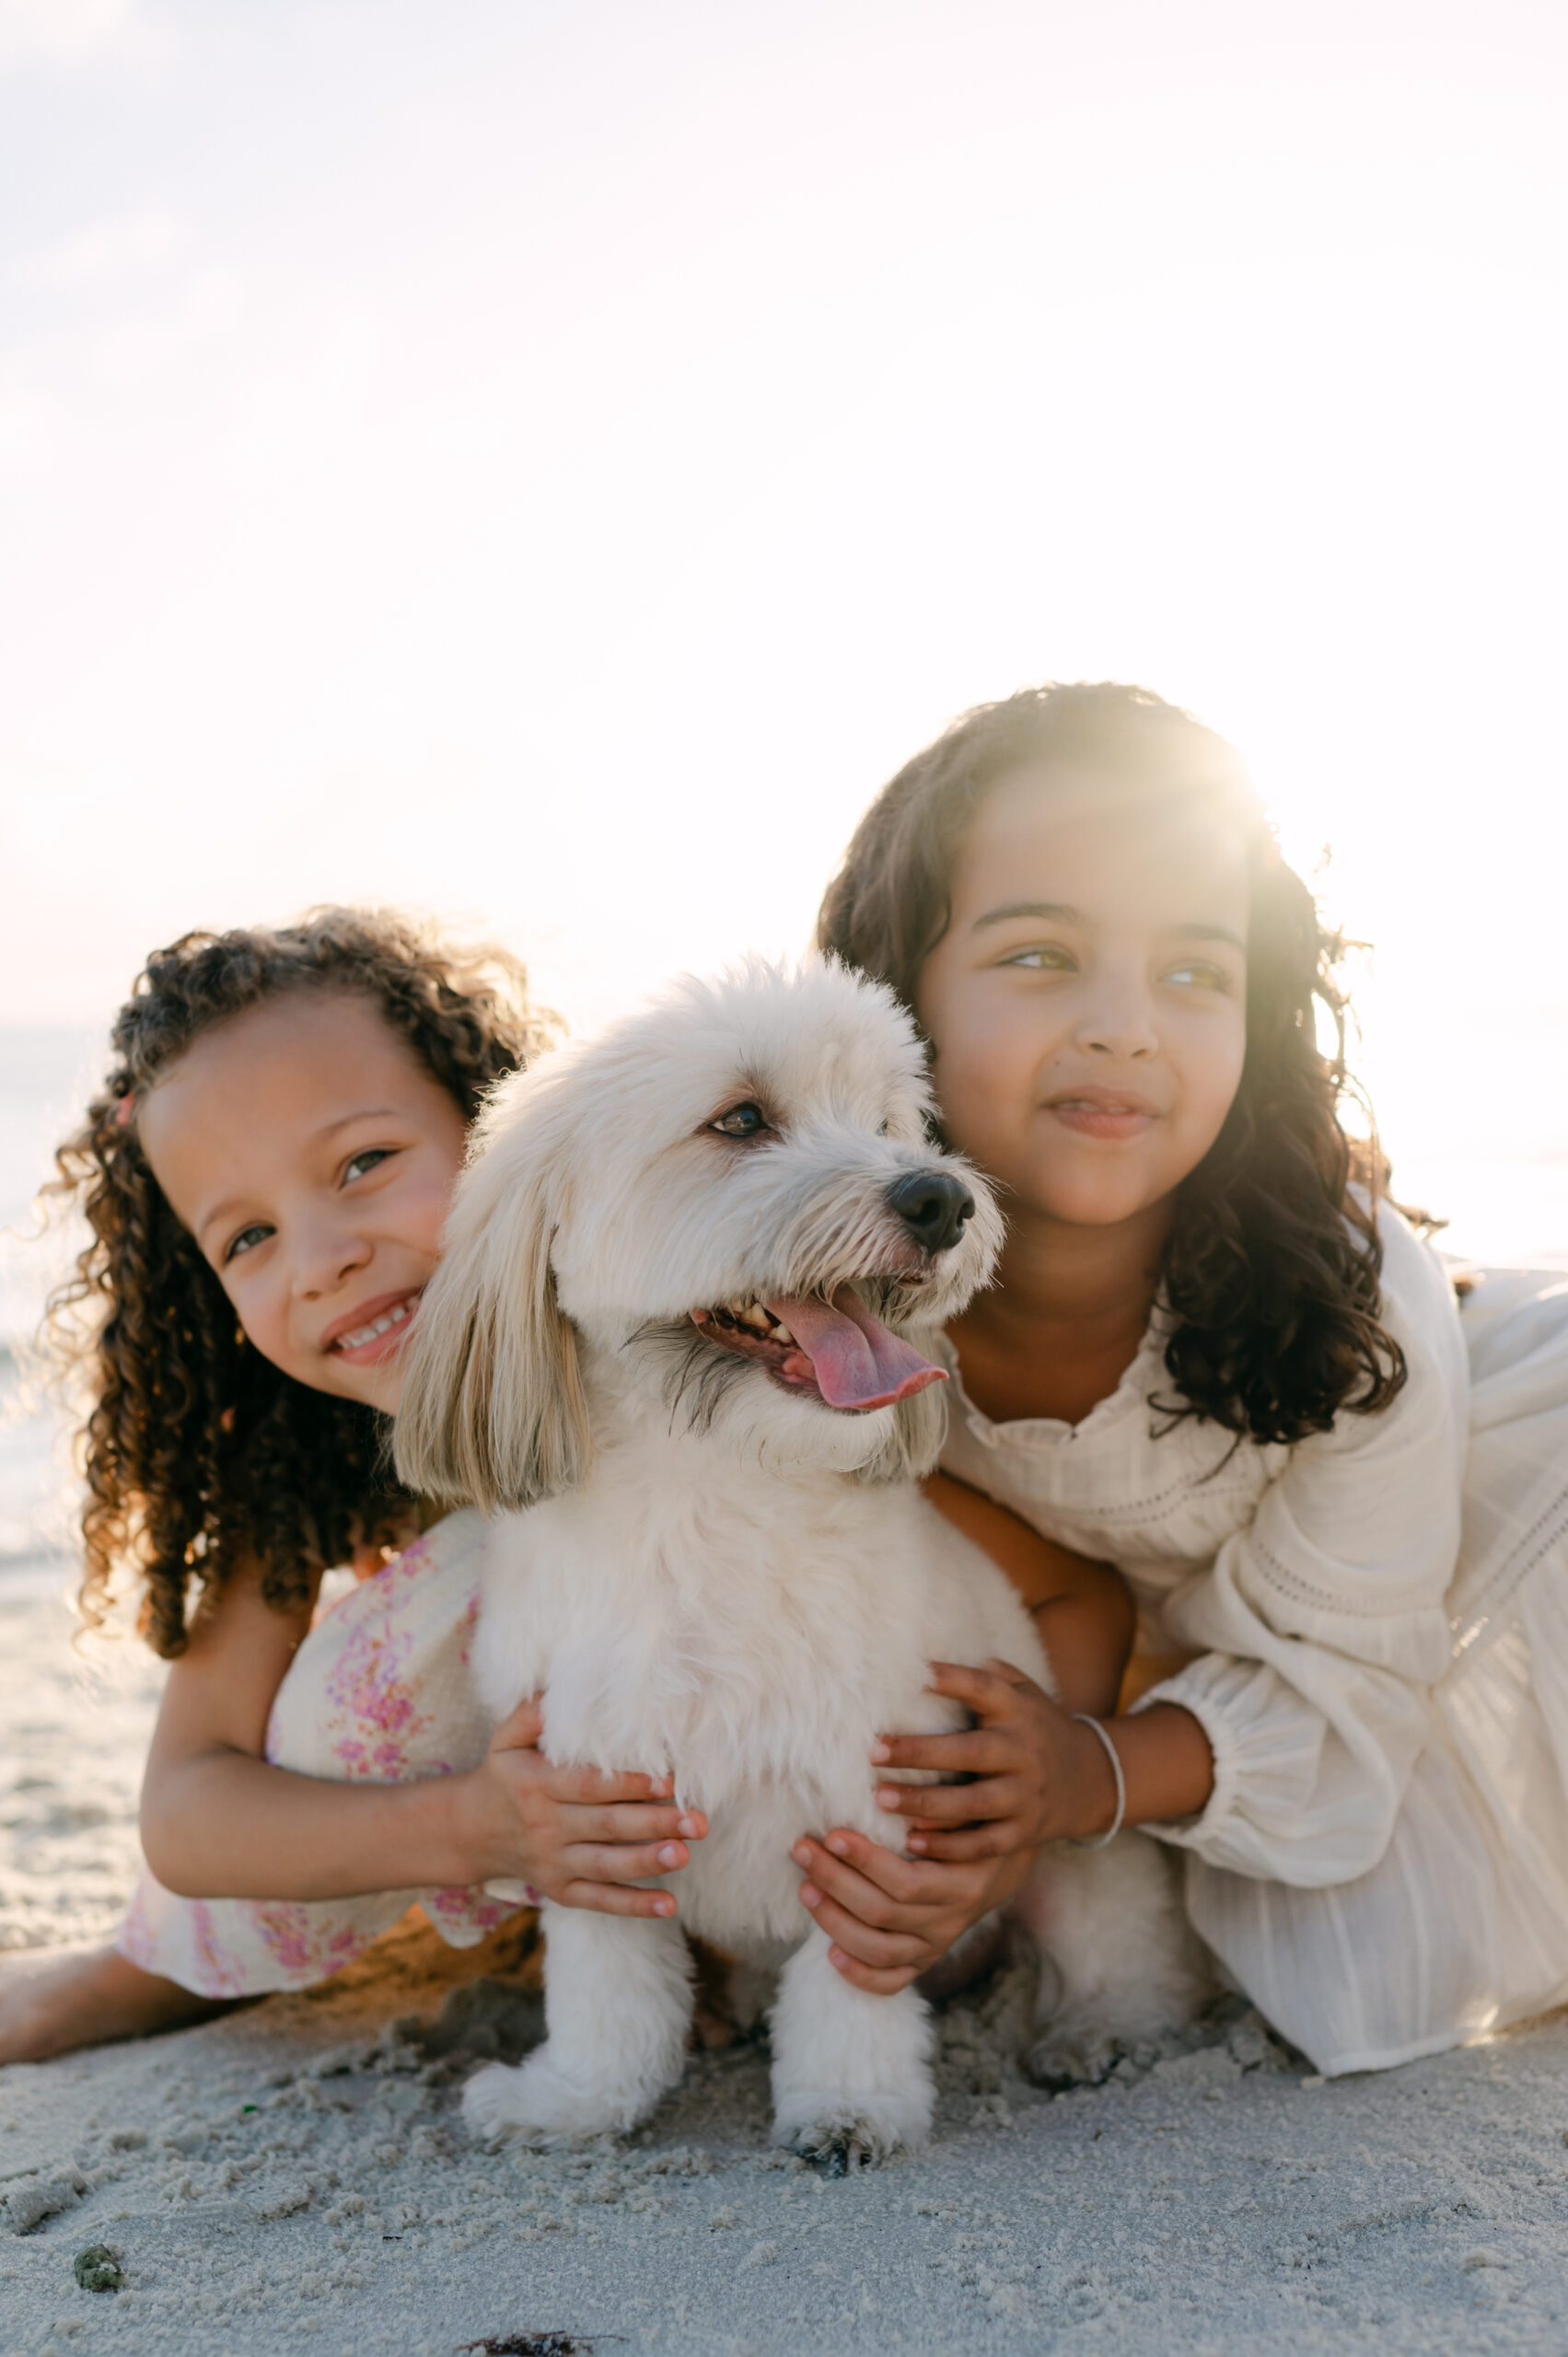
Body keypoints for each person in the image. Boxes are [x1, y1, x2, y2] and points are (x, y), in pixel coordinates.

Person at [1, 906, 1131, 2062]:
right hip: (511, 1852)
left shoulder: (755, 1401)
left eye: (365, 1163)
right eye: (244, 1238)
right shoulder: (291, 1472)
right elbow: (187, 1815)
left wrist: (1010, 1813)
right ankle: (138, 1971)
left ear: (520, 1146)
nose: (320, 1254)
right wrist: (481, 1828)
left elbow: (1060, 1600)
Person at [807, 680, 1568, 2076]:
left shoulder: (1346, 1296)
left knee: (1377, 1928)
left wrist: (1079, 1772)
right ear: (889, 993)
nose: (1126, 1028)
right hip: (1167, 1651)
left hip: (1462, 1528)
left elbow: (1345, 1685)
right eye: (1039, 956)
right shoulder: (836, 1290)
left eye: (1193, 972)